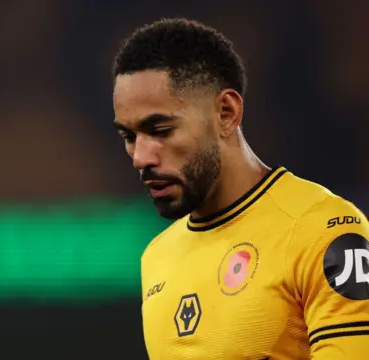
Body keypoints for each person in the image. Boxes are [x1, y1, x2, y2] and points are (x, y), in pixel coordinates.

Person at [111, 18, 369, 359]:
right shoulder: (156, 258)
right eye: (129, 137)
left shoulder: (323, 231)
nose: (140, 157)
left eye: (160, 129)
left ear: (226, 113)